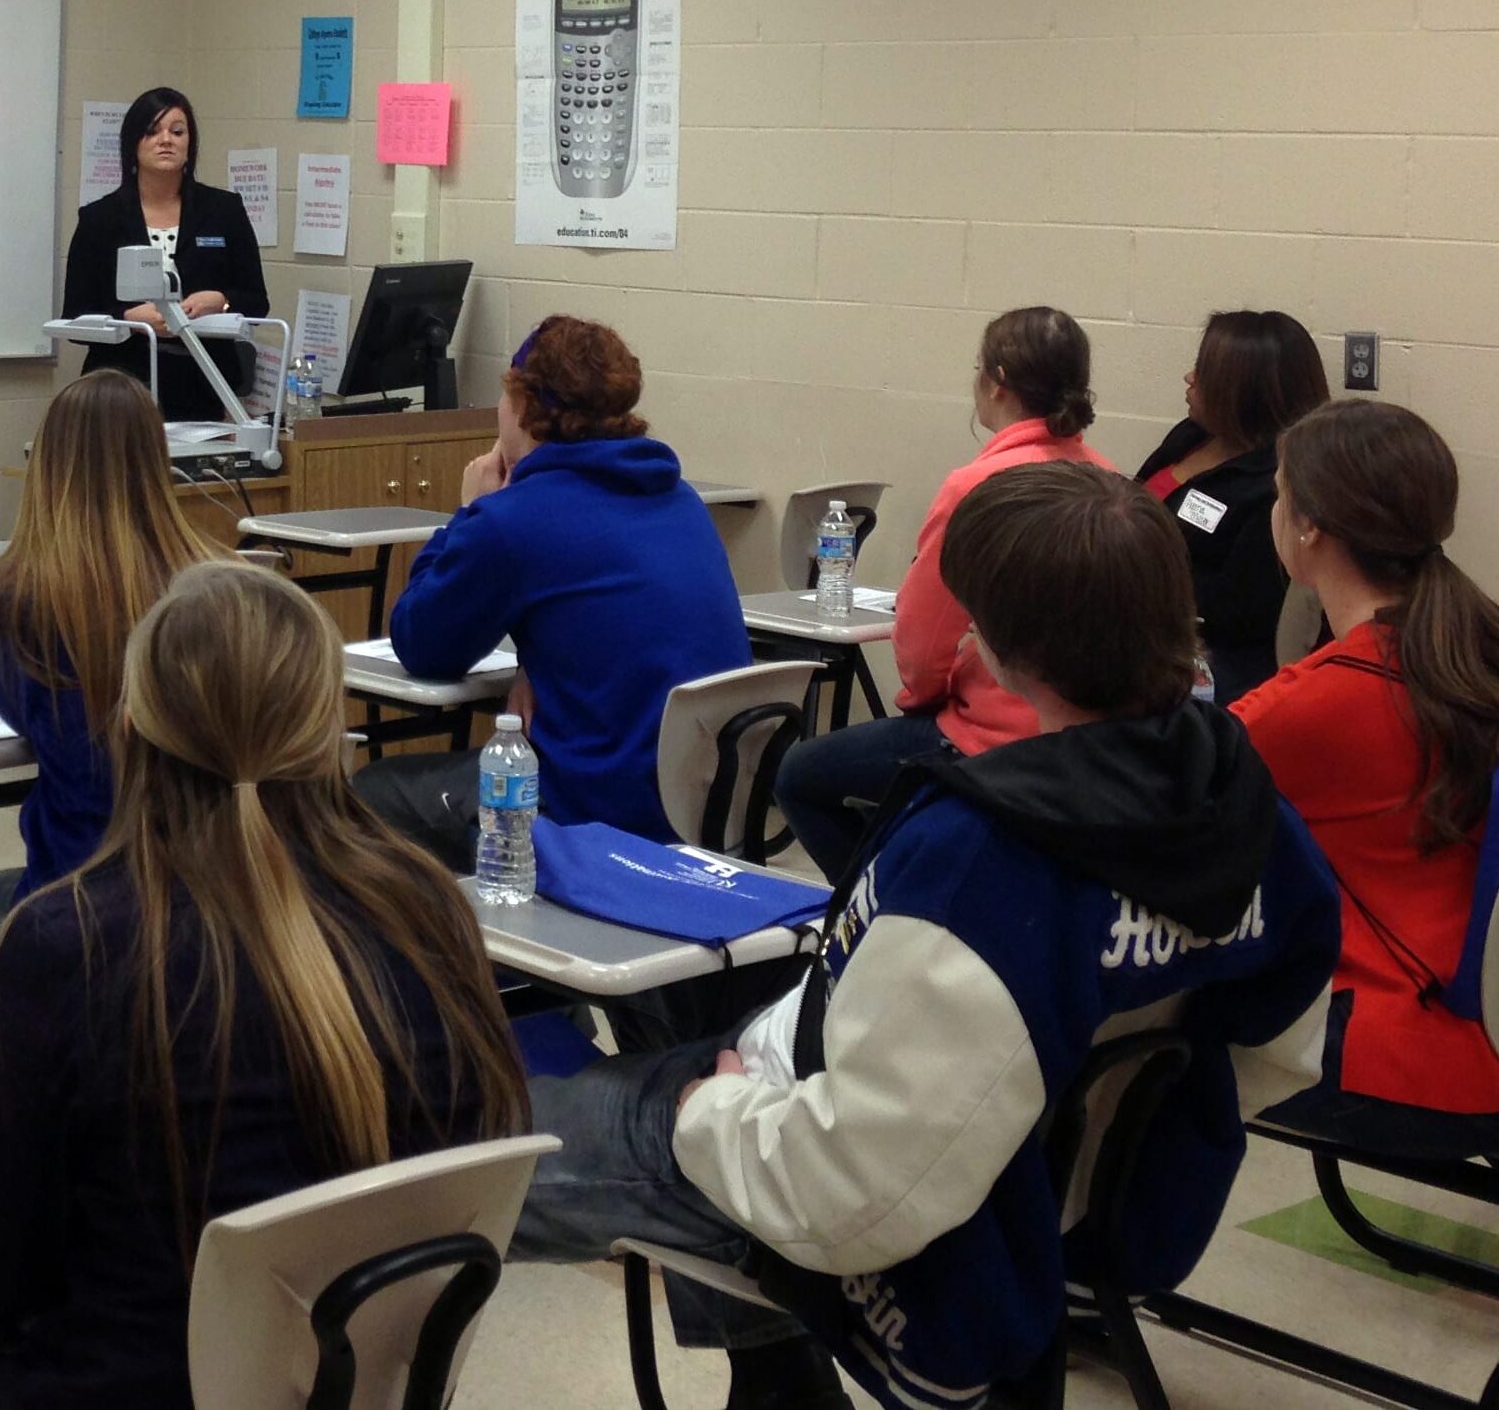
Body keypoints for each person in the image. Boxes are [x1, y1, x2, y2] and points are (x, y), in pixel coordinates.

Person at [509, 462, 1340, 1410]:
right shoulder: (1252, 813)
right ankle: (779, 1392)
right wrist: (1090, 1146)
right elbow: (1279, 1045)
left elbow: (848, 1186)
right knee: (689, 1002)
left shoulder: (985, 866)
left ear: (1005, 655)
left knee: (471, 1165)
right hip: (1022, 1175)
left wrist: (715, 1112)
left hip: (851, 1184)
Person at [0, 561, 528, 1410]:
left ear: (128, 728)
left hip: (110, 1385)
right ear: (328, 733)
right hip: (338, 1384)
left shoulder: (73, 943)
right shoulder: (429, 911)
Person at [356, 314, 751, 866]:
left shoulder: (513, 519)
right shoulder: (679, 499)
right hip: (707, 806)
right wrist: (532, 665)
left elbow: (422, 643)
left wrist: (468, 511)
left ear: (522, 406)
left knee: (366, 794)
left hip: (589, 811)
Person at [1237, 401, 1499, 1158]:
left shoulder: (1312, 704)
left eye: (1280, 494)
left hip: (1404, 1059)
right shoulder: (1473, 645)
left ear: (1310, 527)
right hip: (1473, 1039)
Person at [774, 304, 1112, 883]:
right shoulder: (1111, 479)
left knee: (800, 777)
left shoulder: (974, 487)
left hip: (992, 736)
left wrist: (924, 699)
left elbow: (922, 643)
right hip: (1093, 742)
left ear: (997, 382)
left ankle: (882, 905)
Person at [0, 370, 229, 902]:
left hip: (75, 885)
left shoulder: (3, 592)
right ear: (157, 459)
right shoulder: (221, 581)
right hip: (211, 881)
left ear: (47, 463)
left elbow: (23, 719)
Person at [1134, 309, 1329, 702]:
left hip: (1204, 668)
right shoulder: (1191, 435)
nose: (1189, 378)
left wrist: (1130, 574)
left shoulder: (1275, 488)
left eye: (1204, 371)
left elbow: (1238, 614)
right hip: (1140, 623)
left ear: (1242, 390)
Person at [62, 87, 269, 421]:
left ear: (190, 143)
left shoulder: (224, 210)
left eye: (177, 131)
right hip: (121, 387)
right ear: (133, 143)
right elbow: (75, 316)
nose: (166, 140)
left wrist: (221, 301)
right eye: (152, 131)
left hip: (203, 382)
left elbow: (257, 301)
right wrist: (128, 319)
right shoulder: (100, 219)